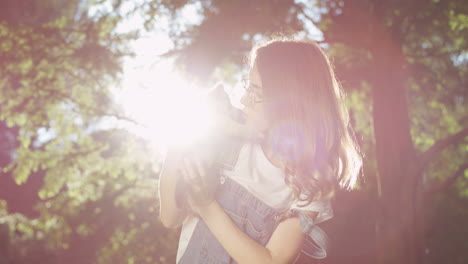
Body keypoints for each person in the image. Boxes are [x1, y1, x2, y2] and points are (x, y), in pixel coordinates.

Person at [158, 37, 363, 264]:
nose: (244, 99)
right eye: (247, 86)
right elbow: (170, 218)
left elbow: (272, 260)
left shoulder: (309, 185)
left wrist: (207, 206)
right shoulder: (228, 141)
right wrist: (175, 149)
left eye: (257, 93)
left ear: (290, 105)